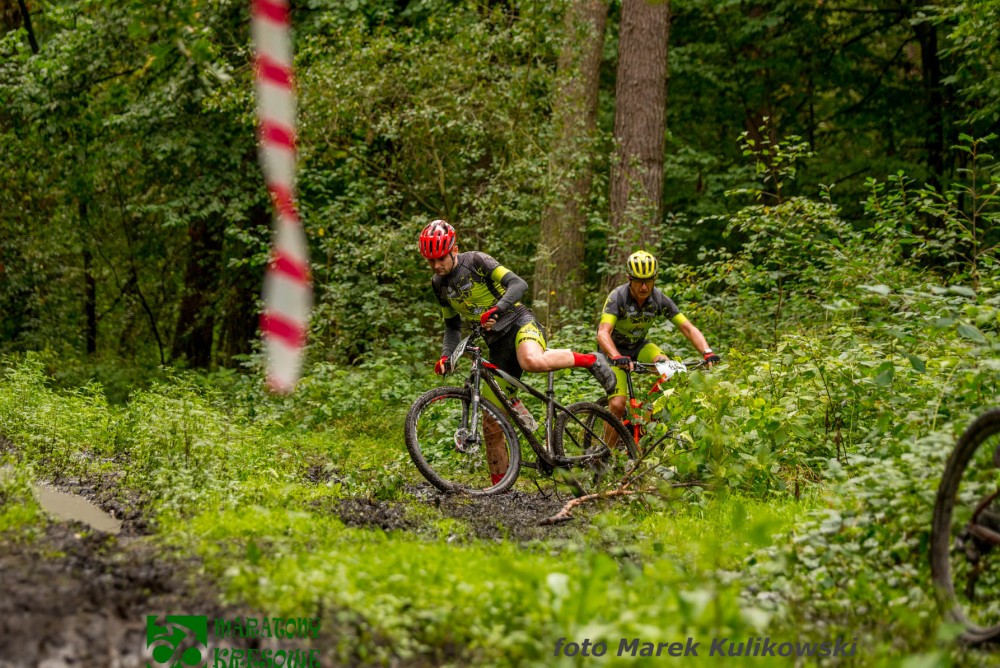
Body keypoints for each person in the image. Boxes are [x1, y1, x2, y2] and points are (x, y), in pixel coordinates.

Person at [420, 219, 617, 486]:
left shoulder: (476, 261)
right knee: (491, 423)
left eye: (440, 258)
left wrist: (498, 308)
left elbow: (518, 284)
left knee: (530, 360)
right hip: (496, 344)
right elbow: (452, 325)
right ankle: (499, 490)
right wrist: (446, 355)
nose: (436, 265)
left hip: (519, 323)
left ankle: (591, 360)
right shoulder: (438, 284)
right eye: (430, 261)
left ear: (454, 250)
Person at [597, 250, 721, 423]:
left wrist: (707, 352)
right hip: (613, 351)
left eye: (649, 281)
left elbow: (686, 327)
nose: (644, 287)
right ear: (629, 279)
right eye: (639, 281)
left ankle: (647, 423)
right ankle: (609, 442)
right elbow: (603, 333)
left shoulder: (658, 298)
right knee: (618, 405)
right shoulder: (618, 297)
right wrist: (616, 356)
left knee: (669, 372)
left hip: (638, 346)